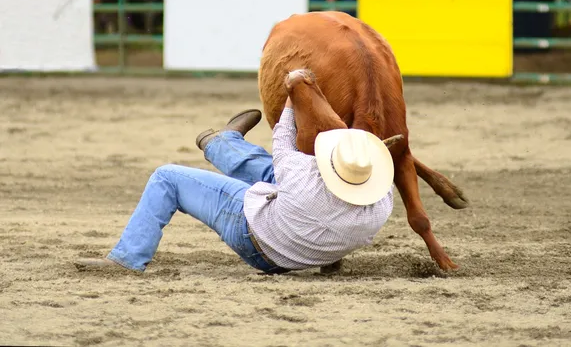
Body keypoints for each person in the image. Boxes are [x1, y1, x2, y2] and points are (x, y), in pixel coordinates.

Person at [75, 99, 395, 274]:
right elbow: (303, 176)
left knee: (166, 177)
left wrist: (292, 95)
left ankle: (127, 259)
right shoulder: (382, 204)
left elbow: (284, 137)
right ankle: (222, 142)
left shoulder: (301, 179)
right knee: (286, 179)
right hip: (301, 251)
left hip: (255, 237)